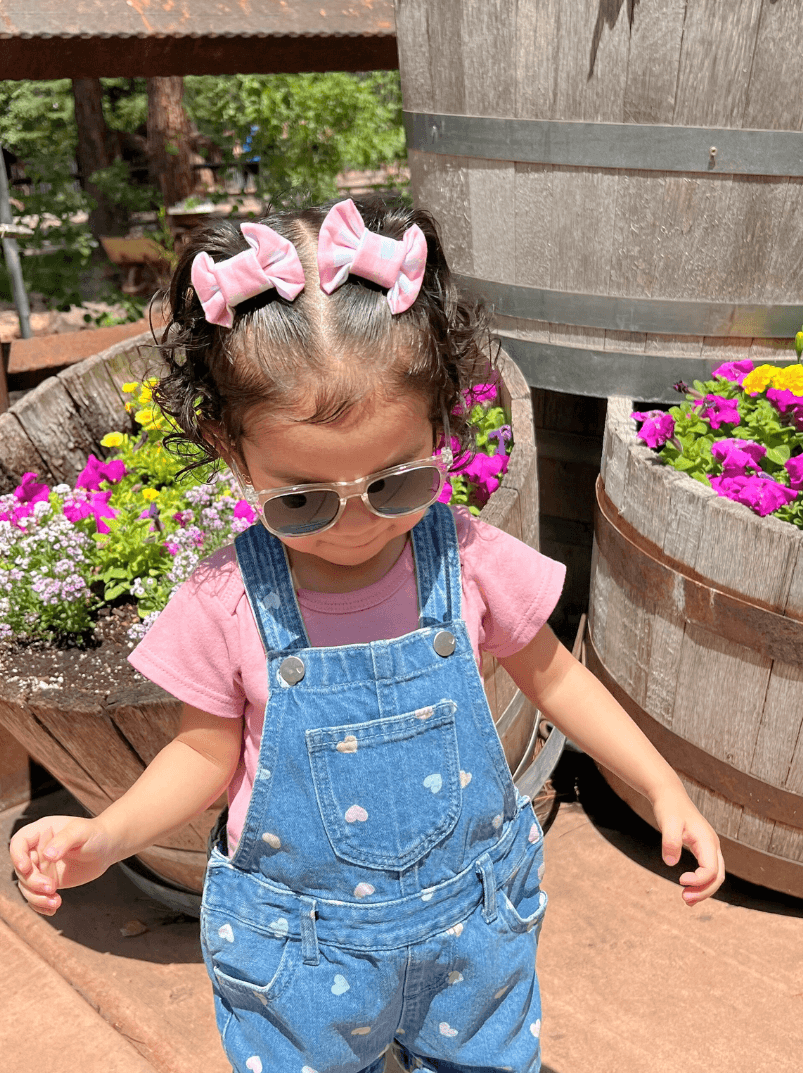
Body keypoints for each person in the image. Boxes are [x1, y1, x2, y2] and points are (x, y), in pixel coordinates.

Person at [9, 197, 724, 1073]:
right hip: (301, 954)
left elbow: (557, 678)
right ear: (227, 447)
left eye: (397, 483)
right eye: (301, 498)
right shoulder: (227, 598)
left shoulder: (466, 556)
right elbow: (204, 758)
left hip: (473, 936)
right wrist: (108, 836)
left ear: (441, 427)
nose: (354, 523)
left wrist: (658, 783)